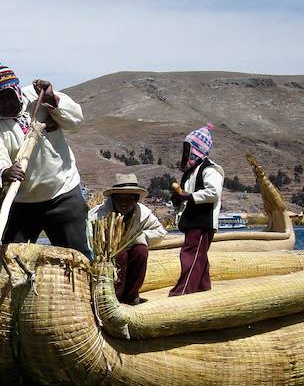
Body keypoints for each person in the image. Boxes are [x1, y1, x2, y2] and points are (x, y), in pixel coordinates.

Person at [0, 53, 90, 258]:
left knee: (78, 257)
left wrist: (53, 100)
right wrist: (4, 172)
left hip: (62, 191)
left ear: (17, 90)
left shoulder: (39, 95)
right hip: (23, 201)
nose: (6, 103)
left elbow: (76, 121)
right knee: (10, 259)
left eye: (8, 95)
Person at [89, 173, 167, 304]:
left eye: (129, 198)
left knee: (141, 251)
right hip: (106, 260)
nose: (124, 203)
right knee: (121, 254)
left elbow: (160, 232)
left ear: (136, 199)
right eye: (120, 198)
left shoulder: (143, 213)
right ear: (113, 199)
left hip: (131, 254)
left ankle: (131, 296)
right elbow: (89, 239)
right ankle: (115, 298)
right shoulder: (98, 215)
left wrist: (140, 237)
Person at [169, 124, 225, 296]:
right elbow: (184, 197)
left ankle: (183, 292)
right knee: (200, 257)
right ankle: (203, 290)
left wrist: (188, 196)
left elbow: (213, 193)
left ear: (197, 149)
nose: (185, 153)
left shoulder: (209, 169)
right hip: (191, 221)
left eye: (188, 148)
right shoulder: (189, 172)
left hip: (202, 221)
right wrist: (177, 198)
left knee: (191, 255)